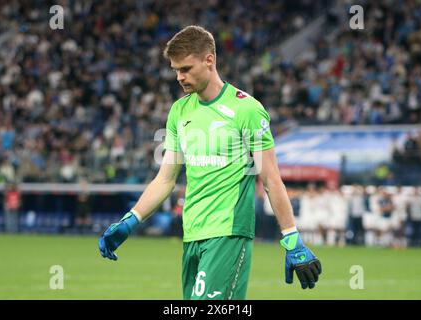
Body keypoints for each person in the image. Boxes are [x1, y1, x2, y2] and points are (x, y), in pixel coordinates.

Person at [98, 25, 321, 300]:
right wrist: (131, 220)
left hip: (228, 233)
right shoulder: (179, 111)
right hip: (192, 234)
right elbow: (165, 179)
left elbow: (271, 178)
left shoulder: (246, 109)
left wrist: (291, 237)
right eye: (176, 70)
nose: (180, 77)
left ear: (209, 60)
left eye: (186, 69)